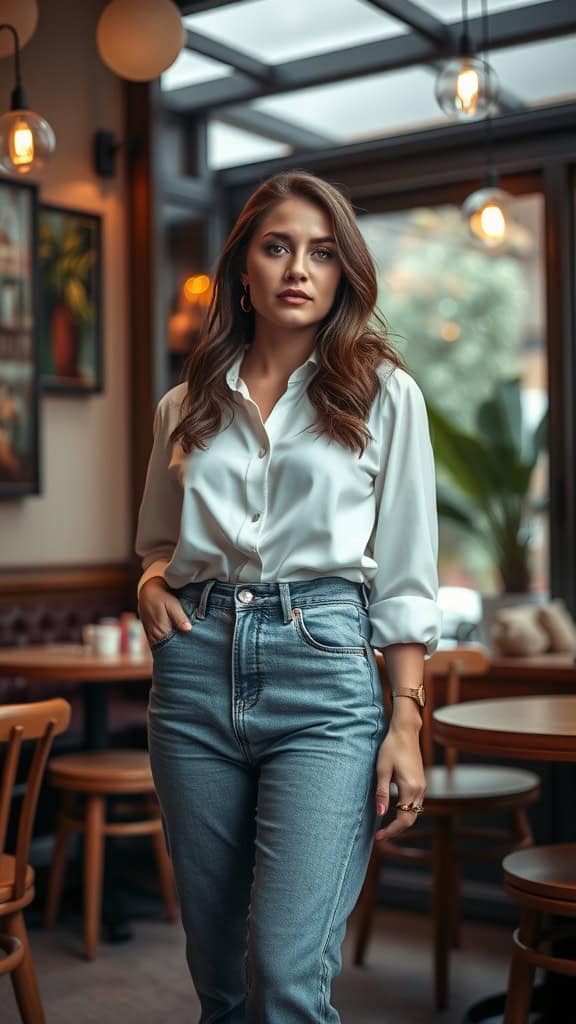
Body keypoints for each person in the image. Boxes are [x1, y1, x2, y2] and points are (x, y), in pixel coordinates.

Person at [136, 170, 442, 1023]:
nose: (298, 268)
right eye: (277, 247)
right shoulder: (182, 404)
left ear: (344, 272)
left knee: (282, 974)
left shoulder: (387, 396)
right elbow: (160, 544)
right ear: (243, 270)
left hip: (324, 674)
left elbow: (407, 576)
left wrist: (407, 722)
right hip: (193, 675)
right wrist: (151, 583)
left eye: (321, 251)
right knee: (219, 979)